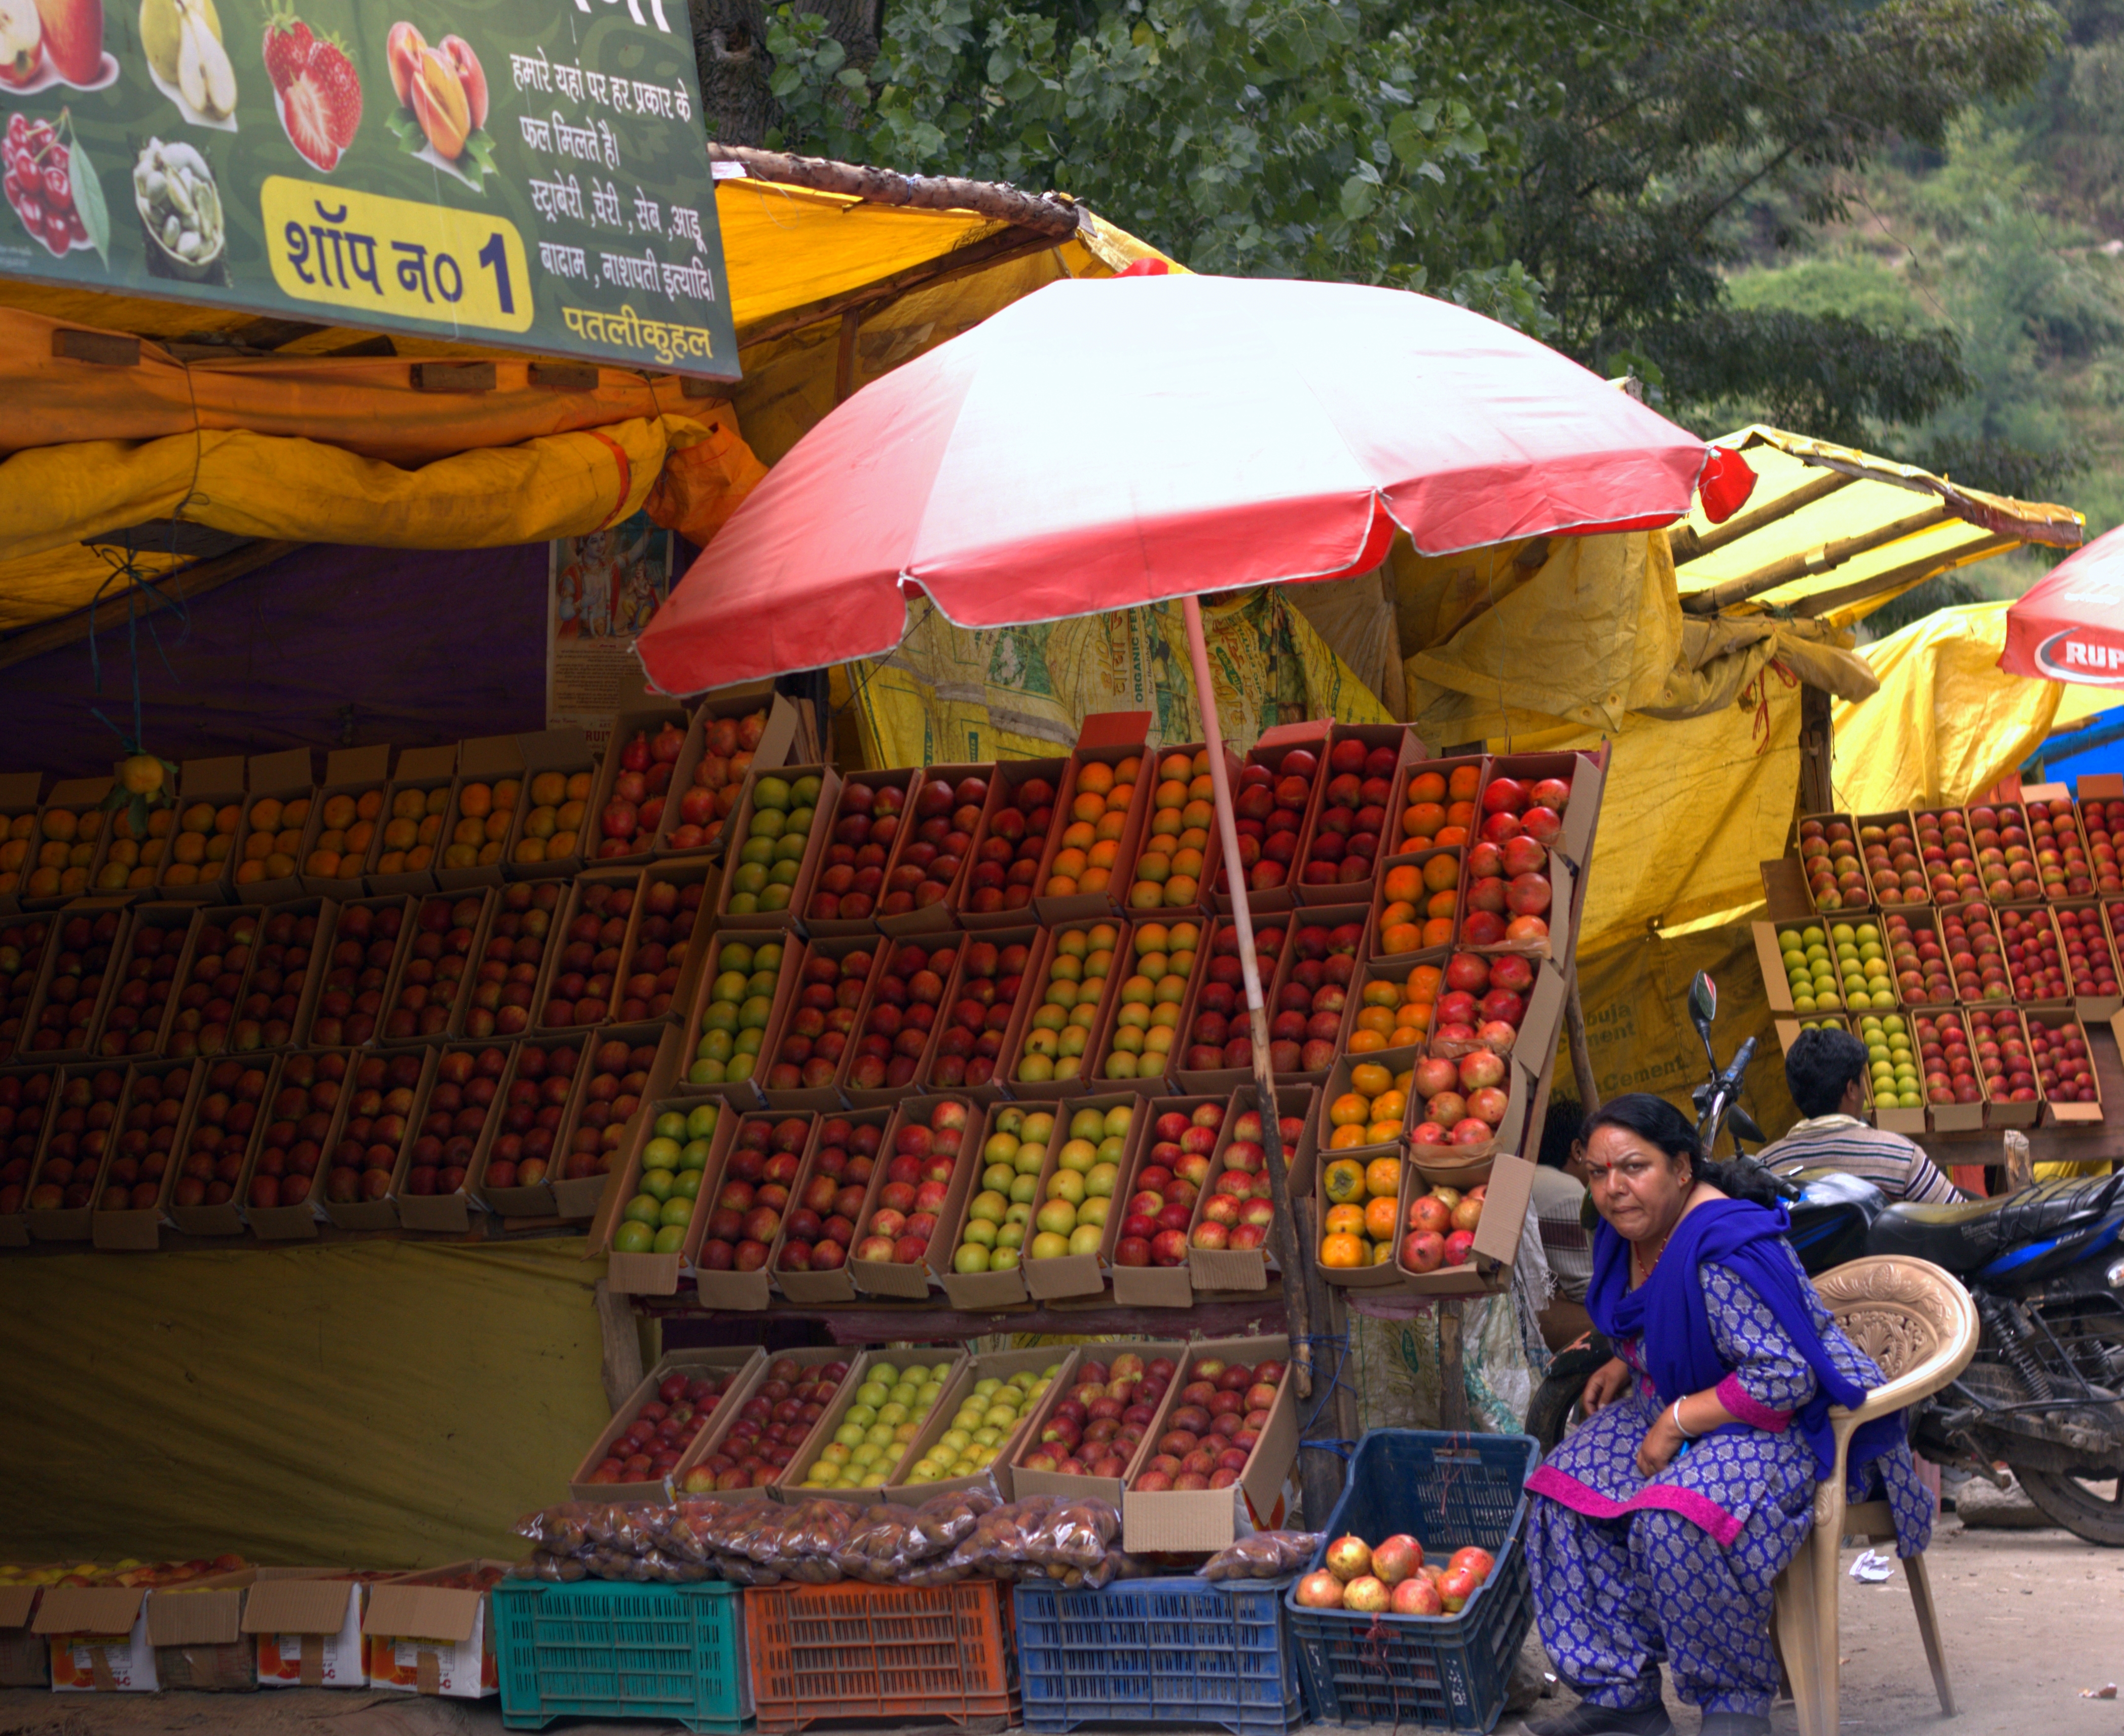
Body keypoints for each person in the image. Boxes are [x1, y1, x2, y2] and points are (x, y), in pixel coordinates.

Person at [1522, 1094, 1931, 1736]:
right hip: (1684, 1395)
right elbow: (1669, 1317)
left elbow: (1784, 1375)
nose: (1613, 1188)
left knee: (1675, 1517)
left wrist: (1675, 1420)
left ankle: (1733, 1698)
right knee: (1561, 1492)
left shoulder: (1722, 1247)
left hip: (1778, 1420)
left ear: (1682, 1168)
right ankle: (1619, 1691)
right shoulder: (1627, 1234)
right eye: (1597, 1172)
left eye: (1633, 1167)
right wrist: (1630, 1358)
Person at [1755, 1026, 1960, 1203]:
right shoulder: (1900, 1157)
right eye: (1863, 1079)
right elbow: (1961, 1220)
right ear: (1852, 1089)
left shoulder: (1763, 1169)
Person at [1531, 1099, 1592, 1348]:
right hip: (1536, 1321)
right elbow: (1586, 1290)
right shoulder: (1567, 1192)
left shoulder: (1535, 1177)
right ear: (1578, 1150)